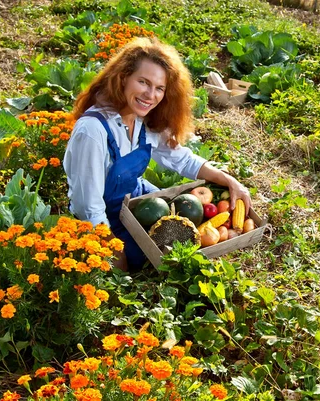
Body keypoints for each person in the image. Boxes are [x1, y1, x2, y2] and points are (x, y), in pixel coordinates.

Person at [63, 37, 252, 271]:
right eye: (143, 82)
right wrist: (115, 254)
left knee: (183, 232)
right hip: (103, 218)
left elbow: (180, 158)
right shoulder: (93, 131)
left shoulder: (143, 118)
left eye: (159, 88)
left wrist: (228, 180)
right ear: (123, 78)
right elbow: (87, 206)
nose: (151, 95)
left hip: (136, 199)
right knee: (148, 262)